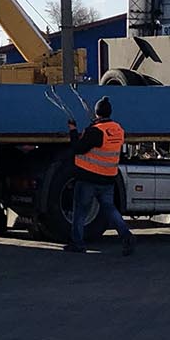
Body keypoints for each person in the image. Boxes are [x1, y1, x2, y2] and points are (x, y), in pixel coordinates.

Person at [63, 97, 132, 255]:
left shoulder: (95, 131)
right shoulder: (118, 129)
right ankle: (126, 235)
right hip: (108, 178)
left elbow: (78, 148)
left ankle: (78, 243)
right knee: (110, 209)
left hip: (89, 177)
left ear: (96, 113)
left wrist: (73, 130)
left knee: (80, 211)